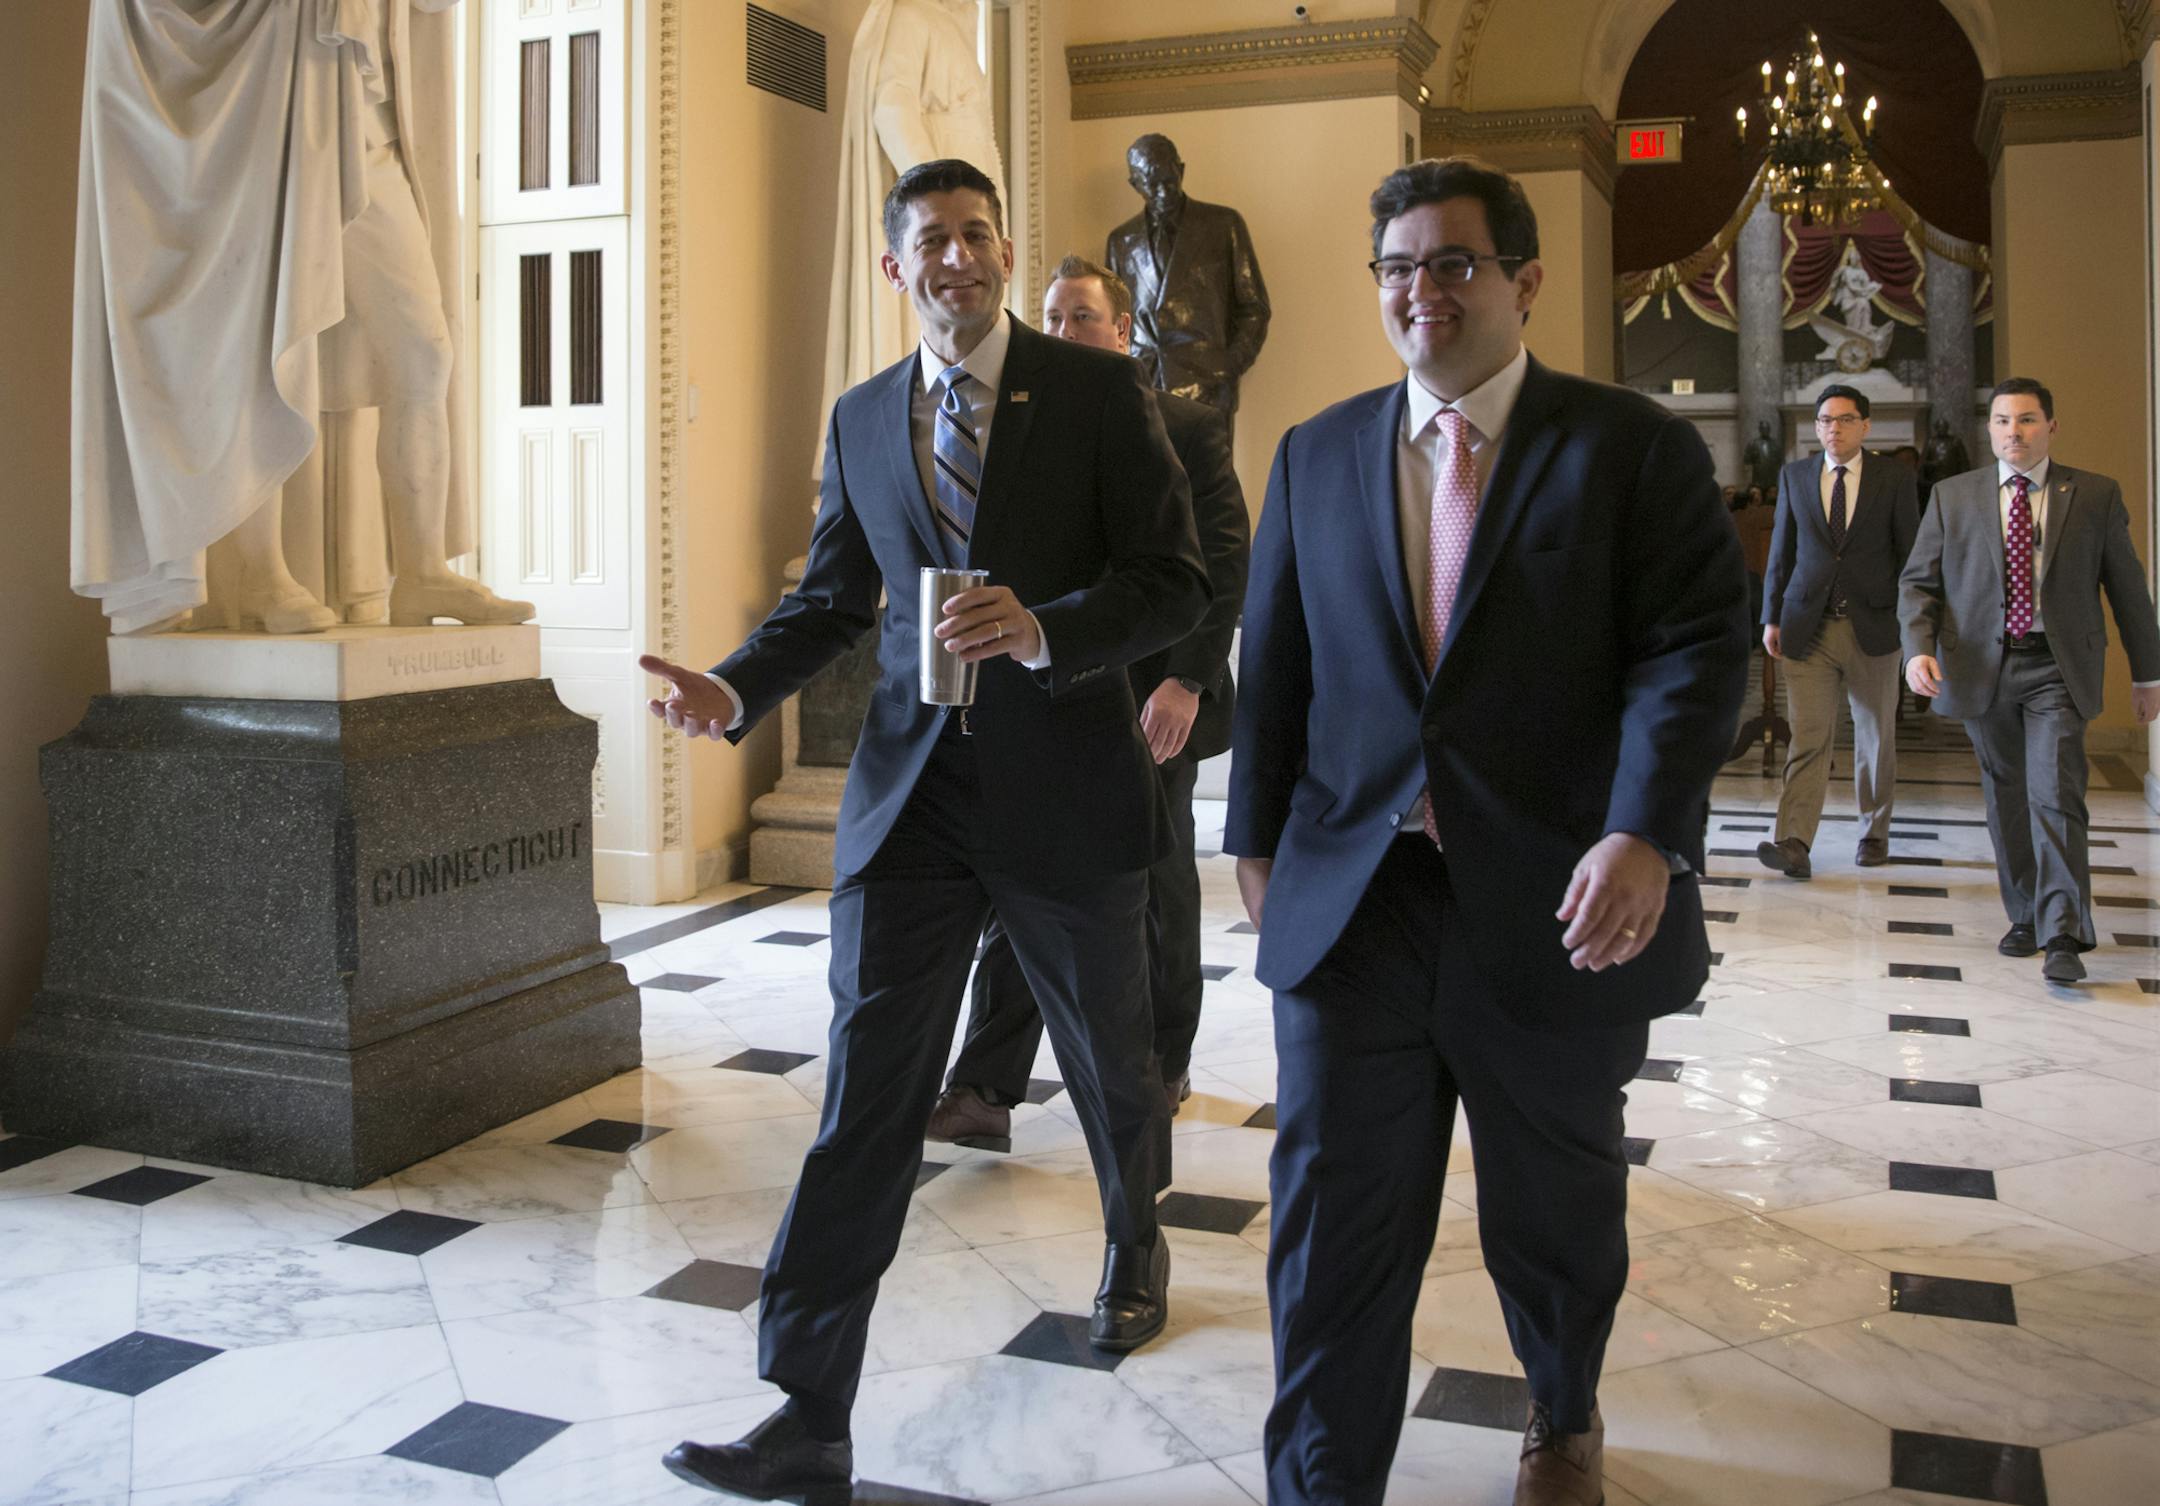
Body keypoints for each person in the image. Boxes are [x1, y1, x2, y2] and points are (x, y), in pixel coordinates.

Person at [640, 159, 1210, 1500]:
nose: (954, 258)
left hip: (1067, 789)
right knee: (864, 1100)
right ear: (894, 270)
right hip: (911, 804)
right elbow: (839, 593)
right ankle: (806, 1402)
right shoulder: (859, 417)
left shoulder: (1095, 393)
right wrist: (737, 684)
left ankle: (1137, 1249)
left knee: (1113, 1065)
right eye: (928, 242)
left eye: (974, 235)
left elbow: (1174, 581)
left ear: (1003, 253)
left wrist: (1044, 628)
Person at [1225, 157, 1748, 1506]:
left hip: (1557, 899)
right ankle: (1323, 1482)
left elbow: (1691, 654)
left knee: (1554, 1209)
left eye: (1451, 263)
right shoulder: (1319, 451)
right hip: (1361, 899)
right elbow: (1274, 663)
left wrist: (1647, 828)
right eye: (1397, 267)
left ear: (1522, 281)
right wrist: (1253, 834)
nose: (1421, 291)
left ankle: (1562, 1404)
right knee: (1333, 1227)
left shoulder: (1629, 447)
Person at [928, 255, 1250, 1144]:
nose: (1064, 333)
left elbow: (1220, 567)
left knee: (1153, 882)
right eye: (1055, 317)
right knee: (1024, 888)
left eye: (1081, 318)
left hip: (1154, 695)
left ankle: (1164, 1060)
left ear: (1123, 331)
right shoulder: (1022, 420)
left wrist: (1187, 680)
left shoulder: (1186, 426)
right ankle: (987, 1088)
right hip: (1048, 690)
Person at [1900, 377, 2160, 982]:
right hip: (1981, 667)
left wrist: (2149, 673)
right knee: (2006, 798)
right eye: (2001, 421)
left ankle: (2064, 931)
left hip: (2057, 667)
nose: (2012, 432)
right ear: (1988, 428)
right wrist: (1917, 650)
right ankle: (2025, 914)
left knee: (2056, 793)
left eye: (2026, 420)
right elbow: (1919, 582)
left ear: (2050, 426)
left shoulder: (2093, 494)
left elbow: (2128, 590)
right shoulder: (1952, 496)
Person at [1756, 386, 1920, 879]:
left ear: (1865, 426)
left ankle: (1873, 832)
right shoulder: (1796, 476)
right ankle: (1794, 840)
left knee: (1875, 736)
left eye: (1845, 420)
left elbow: (1910, 555)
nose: (1834, 429)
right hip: (1809, 624)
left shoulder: (1894, 478)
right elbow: (1781, 552)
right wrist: (1771, 616)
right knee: (1808, 737)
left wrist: (1915, 628)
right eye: (1826, 420)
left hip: (1874, 624)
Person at [1104, 134, 1271, 431]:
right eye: (1152, 185)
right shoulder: (1121, 241)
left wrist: (1228, 366)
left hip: (1207, 388)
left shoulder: (1223, 225)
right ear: (1135, 185)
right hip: (1142, 387)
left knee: (1210, 478)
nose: (1164, 192)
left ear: (1181, 170)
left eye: (1169, 180)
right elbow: (1113, 318)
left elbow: (1254, 307)